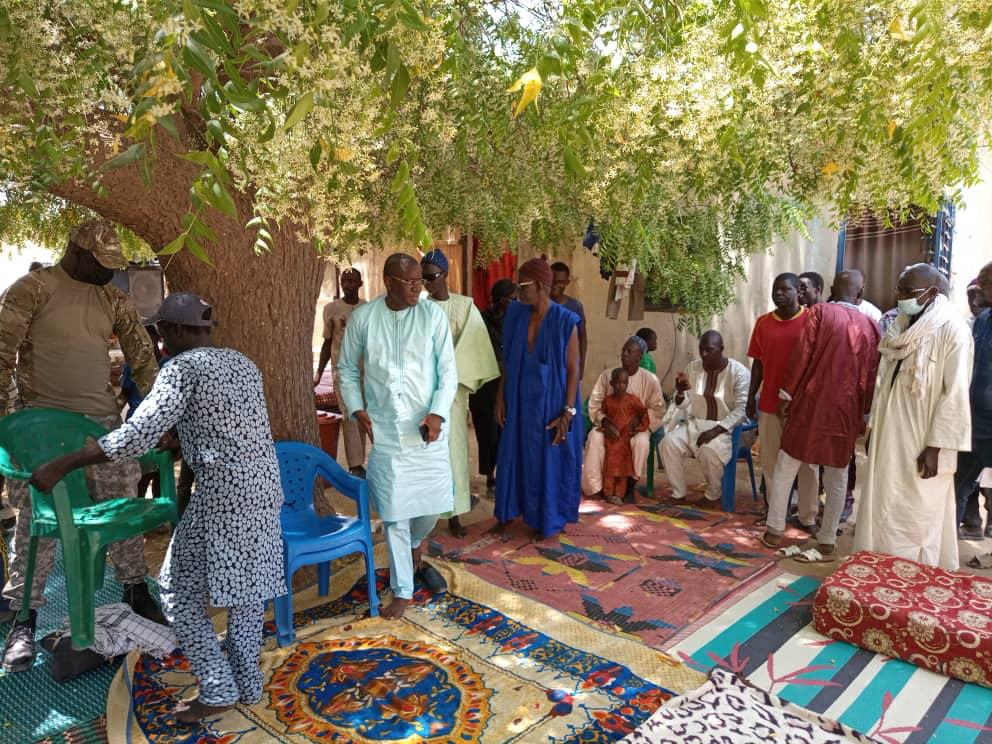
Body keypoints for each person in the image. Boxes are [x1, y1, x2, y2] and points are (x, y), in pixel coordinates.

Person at [29, 293, 285, 722]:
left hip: (223, 498)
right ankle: (247, 685)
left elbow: (135, 437)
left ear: (181, 331)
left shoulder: (181, 370)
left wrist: (64, 463)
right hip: (263, 490)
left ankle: (218, 687)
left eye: (162, 331)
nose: (158, 341)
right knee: (247, 594)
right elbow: (226, 424)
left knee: (175, 589)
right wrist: (184, 438)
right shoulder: (243, 363)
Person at [1, 219, 163, 674]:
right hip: (41, 432)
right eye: (101, 264)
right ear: (77, 252)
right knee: (36, 527)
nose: (109, 274)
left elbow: (142, 358)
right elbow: (0, 353)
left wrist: (156, 412)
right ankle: (23, 619)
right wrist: (5, 428)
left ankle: (135, 591)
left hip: (103, 430)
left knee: (122, 512)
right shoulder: (32, 289)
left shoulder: (111, 297)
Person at [337, 254, 456, 619]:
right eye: (410, 282)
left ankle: (417, 547)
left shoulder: (432, 315)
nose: (418, 287)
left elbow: (448, 370)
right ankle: (403, 589)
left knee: (431, 508)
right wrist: (358, 409)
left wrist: (437, 412)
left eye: (420, 280)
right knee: (393, 513)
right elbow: (345, 369)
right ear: (389, 282)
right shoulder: (364, 319)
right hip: (386, 430)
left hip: (427, 429)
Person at [853, 264, 973, 569]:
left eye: (908, 291)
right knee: (881, 503)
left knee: (916, 510)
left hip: (922, 442)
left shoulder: (953, 329)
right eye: (899, 289)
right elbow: (884, 386)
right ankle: (877, 569)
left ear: (932, 293)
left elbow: (955, 393)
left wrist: (936, 447)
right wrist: (872, 432)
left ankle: (909, 578)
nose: (900, 296)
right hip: (888, 434)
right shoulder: (900, 327)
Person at [760, 272, 881, 559]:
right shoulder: (872, 327)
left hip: (810, 404)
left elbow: (801, 355)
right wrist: (864, 412)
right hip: (845, 410)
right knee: (837, 475)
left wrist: (786, 395)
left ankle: (775, 529)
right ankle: (827, 539)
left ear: (831, 289)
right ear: (860, 292)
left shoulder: (819, 313)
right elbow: (871, 375)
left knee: (786, 466)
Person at [495, 257, 582, 539]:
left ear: (542, 286)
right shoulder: (516, 314)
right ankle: (507, 513)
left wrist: (568, 412)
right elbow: (507, 360)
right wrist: (500, 397)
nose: (519, 292)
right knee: (512, 455)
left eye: (524, 285)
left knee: (547, 462)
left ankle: (545, 520)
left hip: (551, 404)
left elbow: (573, 370)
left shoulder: (565, 320)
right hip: (519, 402)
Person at [421, 249, 500, 538]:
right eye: (422, 279)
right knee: (425, 451)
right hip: (423, 390)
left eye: (431, 277)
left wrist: (448, 375)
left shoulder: (466, 306)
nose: (427, 284)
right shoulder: (418, 307)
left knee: (452, 451)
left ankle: (454, 514)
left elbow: (474, 346)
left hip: (452, 393)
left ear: (445, 274)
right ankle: (424, 512)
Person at [745, 273, 817, 523]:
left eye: (785, 289)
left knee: (807, 464)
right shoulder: (763, 323)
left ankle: (808, 516)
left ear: (799, 292)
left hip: (803, 407)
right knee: (770, 462)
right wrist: (750, 397)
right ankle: (777, 512)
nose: (778, 294)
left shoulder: (812, 320)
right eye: (775, 289)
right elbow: (757, 364)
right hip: (769, 404)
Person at [660, 331, 750, 502]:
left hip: (725, 429)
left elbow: (741, 409)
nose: (704, 354)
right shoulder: (692, 368)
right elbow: (684, 404)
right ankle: (678, 493)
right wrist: (679, 392)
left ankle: (712, 495)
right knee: (668, 443)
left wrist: (715, 430)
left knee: (709, 451)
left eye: (709, 350)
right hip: (694, 424)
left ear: (722, 349)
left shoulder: (738, 373)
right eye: (701, 349)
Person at [583, 336, 665, 503]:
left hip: (635, 429)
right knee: (594, 437)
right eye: (623, 350)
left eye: (629, 351)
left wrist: (639, 422)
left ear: (640, 357)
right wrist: (604, 421)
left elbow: (658, 409)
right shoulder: (608, 375)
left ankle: (630, 486)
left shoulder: (650, 380)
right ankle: (596, 487)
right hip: (609, 426)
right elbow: (595, 404)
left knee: (641, 442)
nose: (624, 354)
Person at [314, 268, 367, 477]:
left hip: (368, 372)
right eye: (344, 281)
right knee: (350, 415)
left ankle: (363, 461)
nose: (348, 285)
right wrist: (319, 372)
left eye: (352, 281)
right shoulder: (332, 309)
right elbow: (327, 343)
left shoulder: (368, 308)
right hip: (343, 372)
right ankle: (355, 466)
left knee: (366, 415)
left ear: (360, 284)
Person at [468, 279, 517, 498]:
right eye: (512, 299)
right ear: (500, 300)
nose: (516, 304)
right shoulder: (481, 320)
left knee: (506, 430)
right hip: (485, 384)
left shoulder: (516, 321)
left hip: (507, 383)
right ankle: (490, 476)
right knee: (488, 432)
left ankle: (505, 474)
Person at [955, 263, 992, 541]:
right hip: (973, 422)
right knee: (957, 484)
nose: (983, 290)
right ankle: (945, 549)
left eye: (987, 284)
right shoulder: (983, 319)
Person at [598, 369, 649, 503]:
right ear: (611, 383)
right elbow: (602, 417)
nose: (621, 386)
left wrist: (638, 426)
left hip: (625, 440)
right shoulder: (608, 401)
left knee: (623, 470)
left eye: (624, 383)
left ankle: (620, 495)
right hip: (612, 440)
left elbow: (643, 413)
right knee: (609, 468)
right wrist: (606, 427)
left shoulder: (633, 400)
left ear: (627, 383)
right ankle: (608, 493)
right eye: (618, 383)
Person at [550, 261, 588, 378]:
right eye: (553, 281)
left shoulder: (575, 306)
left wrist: (580, 367)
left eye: (561, 282)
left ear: (567, 282)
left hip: (567, 366)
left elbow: (582, 338)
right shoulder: (540, 305)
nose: (556, 285)